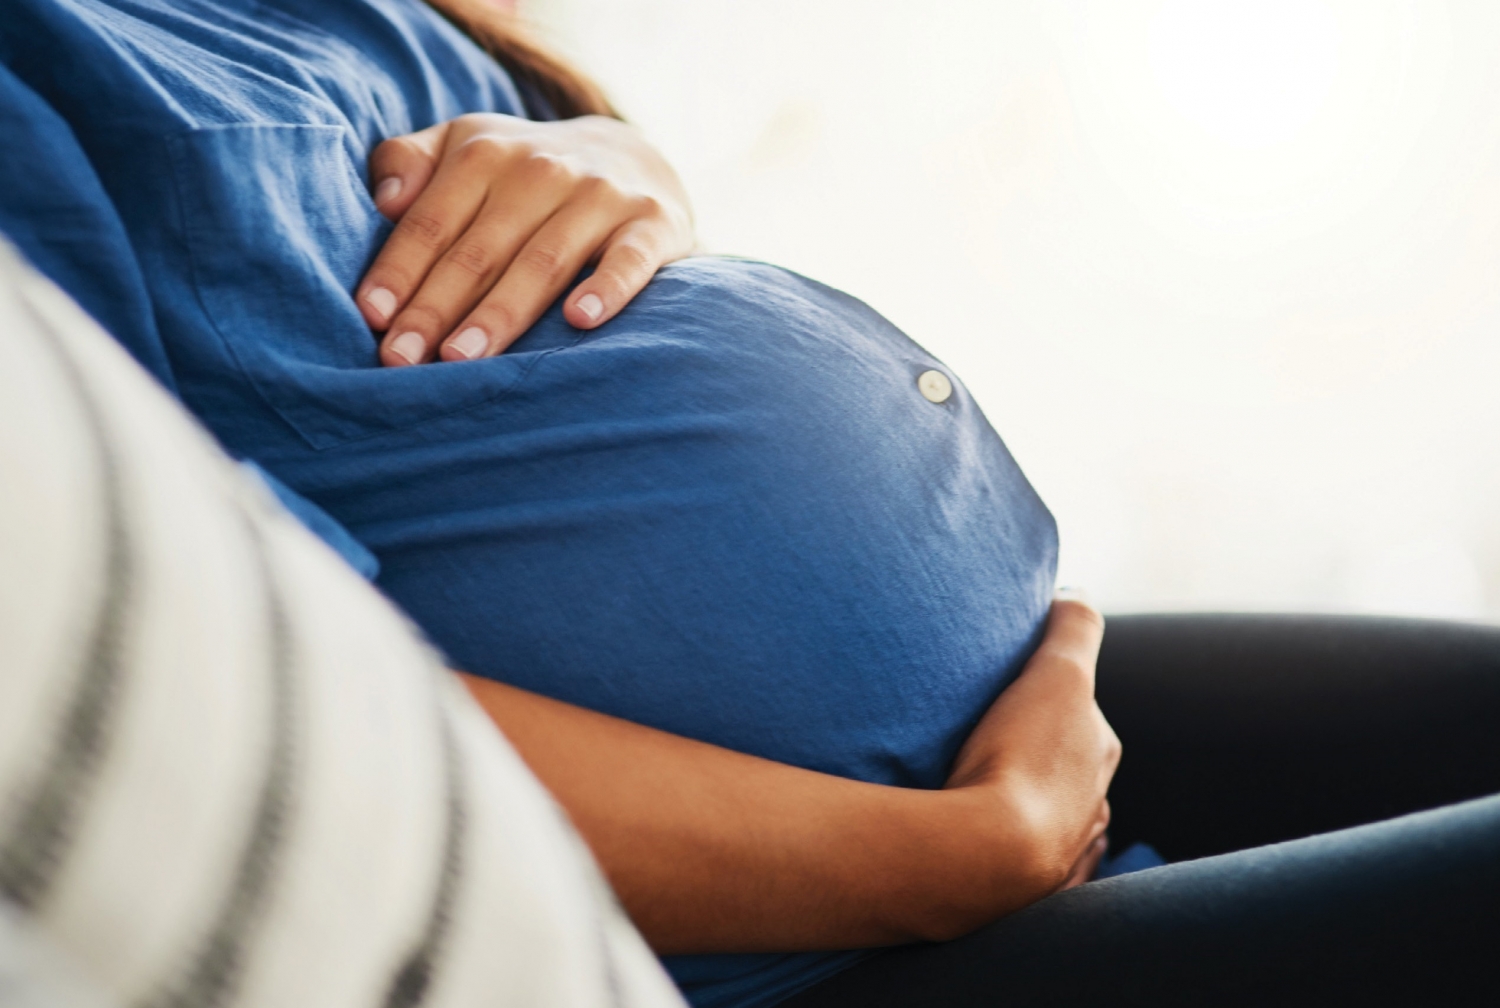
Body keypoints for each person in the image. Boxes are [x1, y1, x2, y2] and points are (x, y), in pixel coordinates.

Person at [0, 3, 1496, 1008]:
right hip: (850, 935)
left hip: (1025, 734)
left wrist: (616, 160)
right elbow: (269, 688)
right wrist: (941, 865)